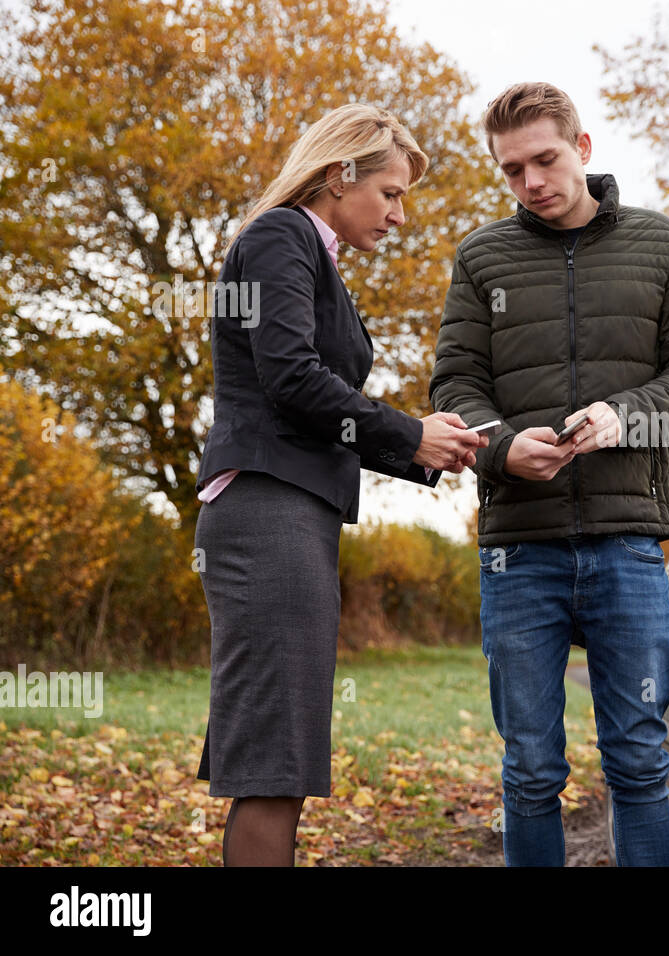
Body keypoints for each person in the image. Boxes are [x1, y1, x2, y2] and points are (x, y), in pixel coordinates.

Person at [430, 82, 669, 866]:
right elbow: (456, 386)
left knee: (638, 763)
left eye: (545, 159)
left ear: (583, 149)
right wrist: (500, 448)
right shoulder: (480, 257)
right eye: (511, 169)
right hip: (517, 549)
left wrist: (625, 415)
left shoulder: (659, 245)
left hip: (628, 545)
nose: (531, 182)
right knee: (530, 771)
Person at [194, 103, 488, 866]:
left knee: (280, 756)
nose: (399, 214)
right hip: (267, 512)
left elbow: (319, 406)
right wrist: (408, 433)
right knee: (273, 760)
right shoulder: (280, 236)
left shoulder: (308, 255)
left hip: (291, 511)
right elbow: (291, 379)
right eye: (389, 193)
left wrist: (429, 450)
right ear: (337, 177)